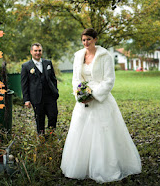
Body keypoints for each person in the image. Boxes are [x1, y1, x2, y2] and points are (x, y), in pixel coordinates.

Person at [60, 28, 142, 183]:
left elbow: (109, 80)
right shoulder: (78, 56)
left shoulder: (105, 56)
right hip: (83, 101)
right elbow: (75, 78)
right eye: (83, 40)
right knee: (80, 133)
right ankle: (81, 167)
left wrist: (94, 95)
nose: (86, 43)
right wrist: (80, 94)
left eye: (89, 39)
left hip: (101, 100)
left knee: (103, 134)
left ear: (95, 39)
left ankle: (105, 168)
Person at [21, 43, 59, 135]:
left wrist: (55, 91)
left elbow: (53, 79)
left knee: (53, 116)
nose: (38, 53)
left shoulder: (48, 63)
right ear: (31, 52)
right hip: (36, 97)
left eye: (39, 51)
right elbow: (24, 84)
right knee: (39, 118)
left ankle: (51, 135)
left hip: (50, 96)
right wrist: (27, 99)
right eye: (35, 51)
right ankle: (41, 137)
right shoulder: (26, 66)